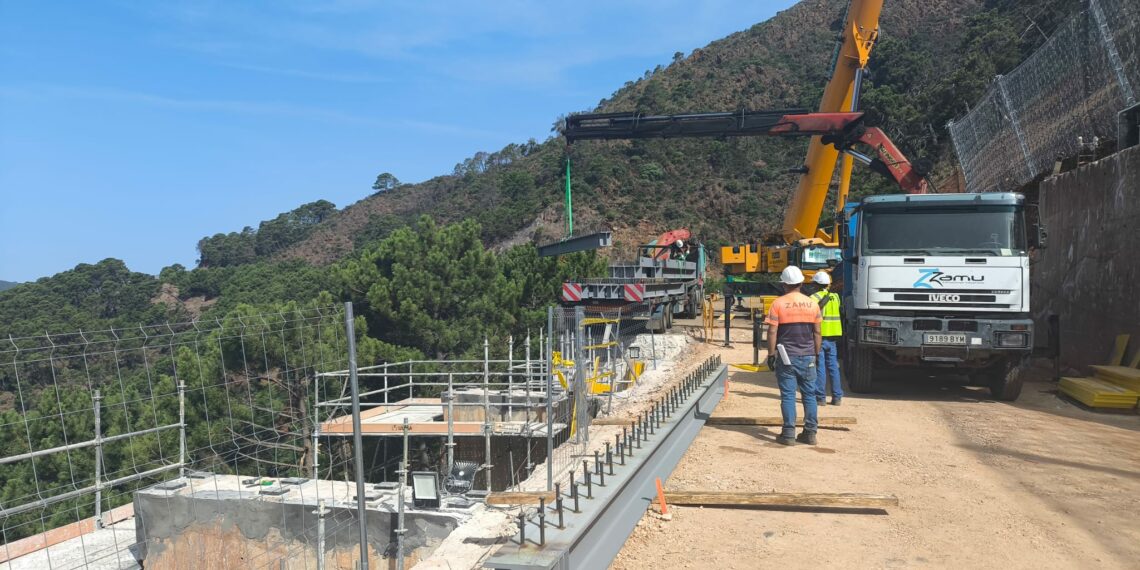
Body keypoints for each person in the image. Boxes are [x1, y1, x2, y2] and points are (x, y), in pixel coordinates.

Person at [764, 266, 821, 446]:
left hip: (787, 356)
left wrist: (771, 354)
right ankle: (810, 433)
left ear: (784, 284)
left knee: (788, 395)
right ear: (801, 283)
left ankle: (788, 434)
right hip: (808, 355)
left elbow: (772, 331)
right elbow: (817, 332)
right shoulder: (813, 304)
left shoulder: (778, 304)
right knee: (809, 395)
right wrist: (816, 354)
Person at [810, 271, 844, 406]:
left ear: (815, 284)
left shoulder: (813, 297)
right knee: (833, 367)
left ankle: (820, 397)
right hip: (833, 336)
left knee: (820, 366)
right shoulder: (835, 297)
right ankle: (837, 397)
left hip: (820, 336)